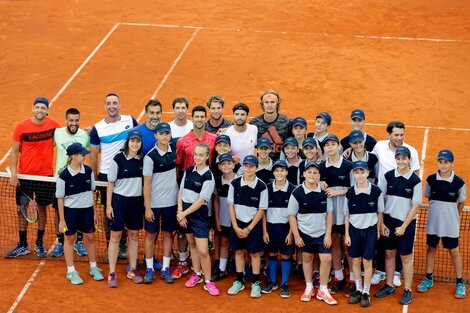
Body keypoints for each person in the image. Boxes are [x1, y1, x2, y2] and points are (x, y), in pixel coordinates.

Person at [7, 97, 60, 258]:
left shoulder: (54, 125)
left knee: (42, 208)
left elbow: (64, 139)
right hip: (25, 176)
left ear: (47, 110)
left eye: (43, 108)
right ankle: (22, 244)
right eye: (37, 107)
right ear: (33, 108)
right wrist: (14, 174)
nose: (40, 110)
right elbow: (15, 151)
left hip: (46, 177)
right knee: (21, 209)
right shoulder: (21, 127)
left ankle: (39, 242)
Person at [371, 121, 419, 286]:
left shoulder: (412, 155)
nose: (399, 137)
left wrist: (405, 225)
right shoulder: (379, 147)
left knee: (404, 255)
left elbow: (415, 201)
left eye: (401, 134)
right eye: (396, 134)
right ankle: (382, 273)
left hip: (404, 216)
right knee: (386, 250)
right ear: (389, 134)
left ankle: (400, 278)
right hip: (388, 210)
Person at [90, 93, 138, 260]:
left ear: (120, 104)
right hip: (105, 175)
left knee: (125, 208)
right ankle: (110, 242)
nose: (112, 106)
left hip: (126, 173)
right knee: (107, 210)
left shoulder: (130, 121)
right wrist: (94, 179)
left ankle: (123, 243)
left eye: (115, 103)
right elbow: (94, 155)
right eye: (109, 103)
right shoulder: (97, 128)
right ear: (105, 106)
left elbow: (138, 141)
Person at [173, 105, 217, 279]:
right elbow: (178, 165)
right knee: (190, 240)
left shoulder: (214, 139)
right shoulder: (183, 141)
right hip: (187, 193)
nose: (199, 119)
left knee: (204, 243)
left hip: (203, 198)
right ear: (193, 118)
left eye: (202, 116)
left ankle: (208, 276)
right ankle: (192, 269)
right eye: (196, 116)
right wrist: (180, 210)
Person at [416, 149, 466, 299]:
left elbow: (461, 202)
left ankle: (459, 282)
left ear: (452, 164)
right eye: (440, 162)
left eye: (446, 162)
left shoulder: (459, 182)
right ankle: (428, 278)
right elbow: (429, 198)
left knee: (454, 252)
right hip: (433, 223)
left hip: (451, 225)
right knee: (431, 248)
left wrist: (451, 215)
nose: (443, 165)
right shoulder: (431, 180)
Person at [374, 146, 421, 305]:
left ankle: (407, 289)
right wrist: (382, 223)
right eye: (398, 158)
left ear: (409, 160)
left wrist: (403, 227)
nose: (401, 161)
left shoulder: (415, 181)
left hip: (405, 224)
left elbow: (415, 206)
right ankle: (389, 285)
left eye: (404, 158)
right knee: (389, 254)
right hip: (389, 222)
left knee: (406, 258)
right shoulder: (388, 176)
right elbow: (382, 200)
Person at [287, 162, 336, 305]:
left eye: (315, 173)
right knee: (307, 258)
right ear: (304, 174)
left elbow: (329, 214)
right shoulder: (296, 193)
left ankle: (323, 289)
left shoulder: (325, 193)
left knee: (326, 259)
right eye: (309, 172)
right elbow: (291, 215)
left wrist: (328, 234)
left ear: (319, 176)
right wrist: (296, 235)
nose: (312, 175)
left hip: (322, 233)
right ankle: (309, 287)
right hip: (304, 233)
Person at [56, 143, 104, 284]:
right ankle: (71, 271)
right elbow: (60, 199)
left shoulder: (88, 171)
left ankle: (93, 267)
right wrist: (62, 220)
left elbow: (92, 192)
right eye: (82, 154)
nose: (85, 156)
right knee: (70, 239)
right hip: (71, 211)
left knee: (90, 238)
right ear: (73, 156)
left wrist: (94, 211)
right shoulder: (63, 176)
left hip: (87, 210)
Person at [177, 143, 219, 296]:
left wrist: (183, 214)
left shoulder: (209, 176)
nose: (198, 157)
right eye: (196, 154)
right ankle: (197, 274)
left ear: (207, 156)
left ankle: (208, 281)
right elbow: (181, 191)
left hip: (198, 216)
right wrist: (180, 211)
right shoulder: (188, 171)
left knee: (203, 250)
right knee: (192, 244)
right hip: (185, 214)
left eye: (201, 155)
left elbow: (202, 201)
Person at [106, 130, 145, 287]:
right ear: (127, 142)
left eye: (138, 141)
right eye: (132, 141)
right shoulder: (118, 159)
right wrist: (108, 205)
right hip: (119, 201)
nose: (135, 144)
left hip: (136, 202)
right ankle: (112, 272)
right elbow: (110, 183)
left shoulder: (144, 160)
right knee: (115, 236)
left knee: (134, 235)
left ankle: (133, 269)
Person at [227, 155, 268, 298]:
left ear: (256, 168)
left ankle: (256, 282)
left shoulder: (262, 186)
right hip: (237, 224)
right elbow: (231, 205)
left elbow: (261, 210)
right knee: (238, 252)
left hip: (253, 225)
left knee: (254, 254)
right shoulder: (234, 183)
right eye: (246, 165)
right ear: (242, 167)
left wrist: (249, 228)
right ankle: (239, 280)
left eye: (251, 166)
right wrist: (236, 226)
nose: (248, 168)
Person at [345, 161, 384, 307]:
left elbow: (380, 212)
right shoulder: (349, 193)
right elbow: (347, 215)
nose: (359, 175)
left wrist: (379, 230)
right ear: (353, 174)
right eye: (357, 172)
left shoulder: (376, 191)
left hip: (370, 230)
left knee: (367, 262)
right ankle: (358, 289)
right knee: (355, 261)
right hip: (354, 230)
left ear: (368, 173)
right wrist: (347, 234)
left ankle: (366, 292)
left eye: (362, 172)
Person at [143, 122, 179, 284]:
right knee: (151, 235)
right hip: (155, 204)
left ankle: (165, 268)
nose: (165, 136)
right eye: (162, 133)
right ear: (155, 135)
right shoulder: (150, 157)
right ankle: (150, 268)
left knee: (167, 234)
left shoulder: (174, 151)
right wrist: (148, 207)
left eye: (167, 133)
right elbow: (147, 184)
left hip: (171, 203)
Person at [51, 108, 90, 258]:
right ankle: (60, 241)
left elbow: (94, 149)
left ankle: (79, 241)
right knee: (57, 211)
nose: (73, 123)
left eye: (76, 120)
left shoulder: (84, 135)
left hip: (78, 179)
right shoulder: (57, 133)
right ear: (66, 120)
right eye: (71, 120)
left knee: (79, 209)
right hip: (60, 179)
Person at [319, 134, 353, 295]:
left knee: (348, 244)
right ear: (324, 148)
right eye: (327, 145)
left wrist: (337, 192)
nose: (330, 147)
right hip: (330, 212)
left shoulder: (348, 166)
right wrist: (319, 183)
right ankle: (338, 276)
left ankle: (353, 278)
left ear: (339, 146)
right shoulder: (321, 167)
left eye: (333, 144)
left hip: (346, 211)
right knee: (333, 241)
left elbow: (355, 189)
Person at [261, 160, 296, 298]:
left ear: (287, 172)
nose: (280, 173)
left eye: (282, 170)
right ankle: (272, 282)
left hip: (286, 228)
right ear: (273, 172)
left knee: (286, 255)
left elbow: (294, 215)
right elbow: (263, 212)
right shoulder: (267, 188)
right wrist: (264, 231)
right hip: (270, 227)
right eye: (277, 170)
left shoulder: (293, 189)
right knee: (272, 254)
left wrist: (291, 233)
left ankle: (285, 284)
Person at [212, 153, 237, 281]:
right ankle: (222, 269)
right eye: (223, 164)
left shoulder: (240, 180)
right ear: (219, 167)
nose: (226, 166)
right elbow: (216, 201)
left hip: (238, 220)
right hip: (223, 218)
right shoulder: (217, 181)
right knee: (224, 242)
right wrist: (217, 218)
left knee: (240, 246)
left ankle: (243, 270)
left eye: (229, 163)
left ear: (233, 165)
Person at [250, 89, 291, 160]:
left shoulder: (287, 122)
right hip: (262, 163)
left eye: (272, 102)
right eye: (266, 102)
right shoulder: (254, 123)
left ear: (277, 104)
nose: (269, 105)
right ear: (262, 104)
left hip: (281, 165)